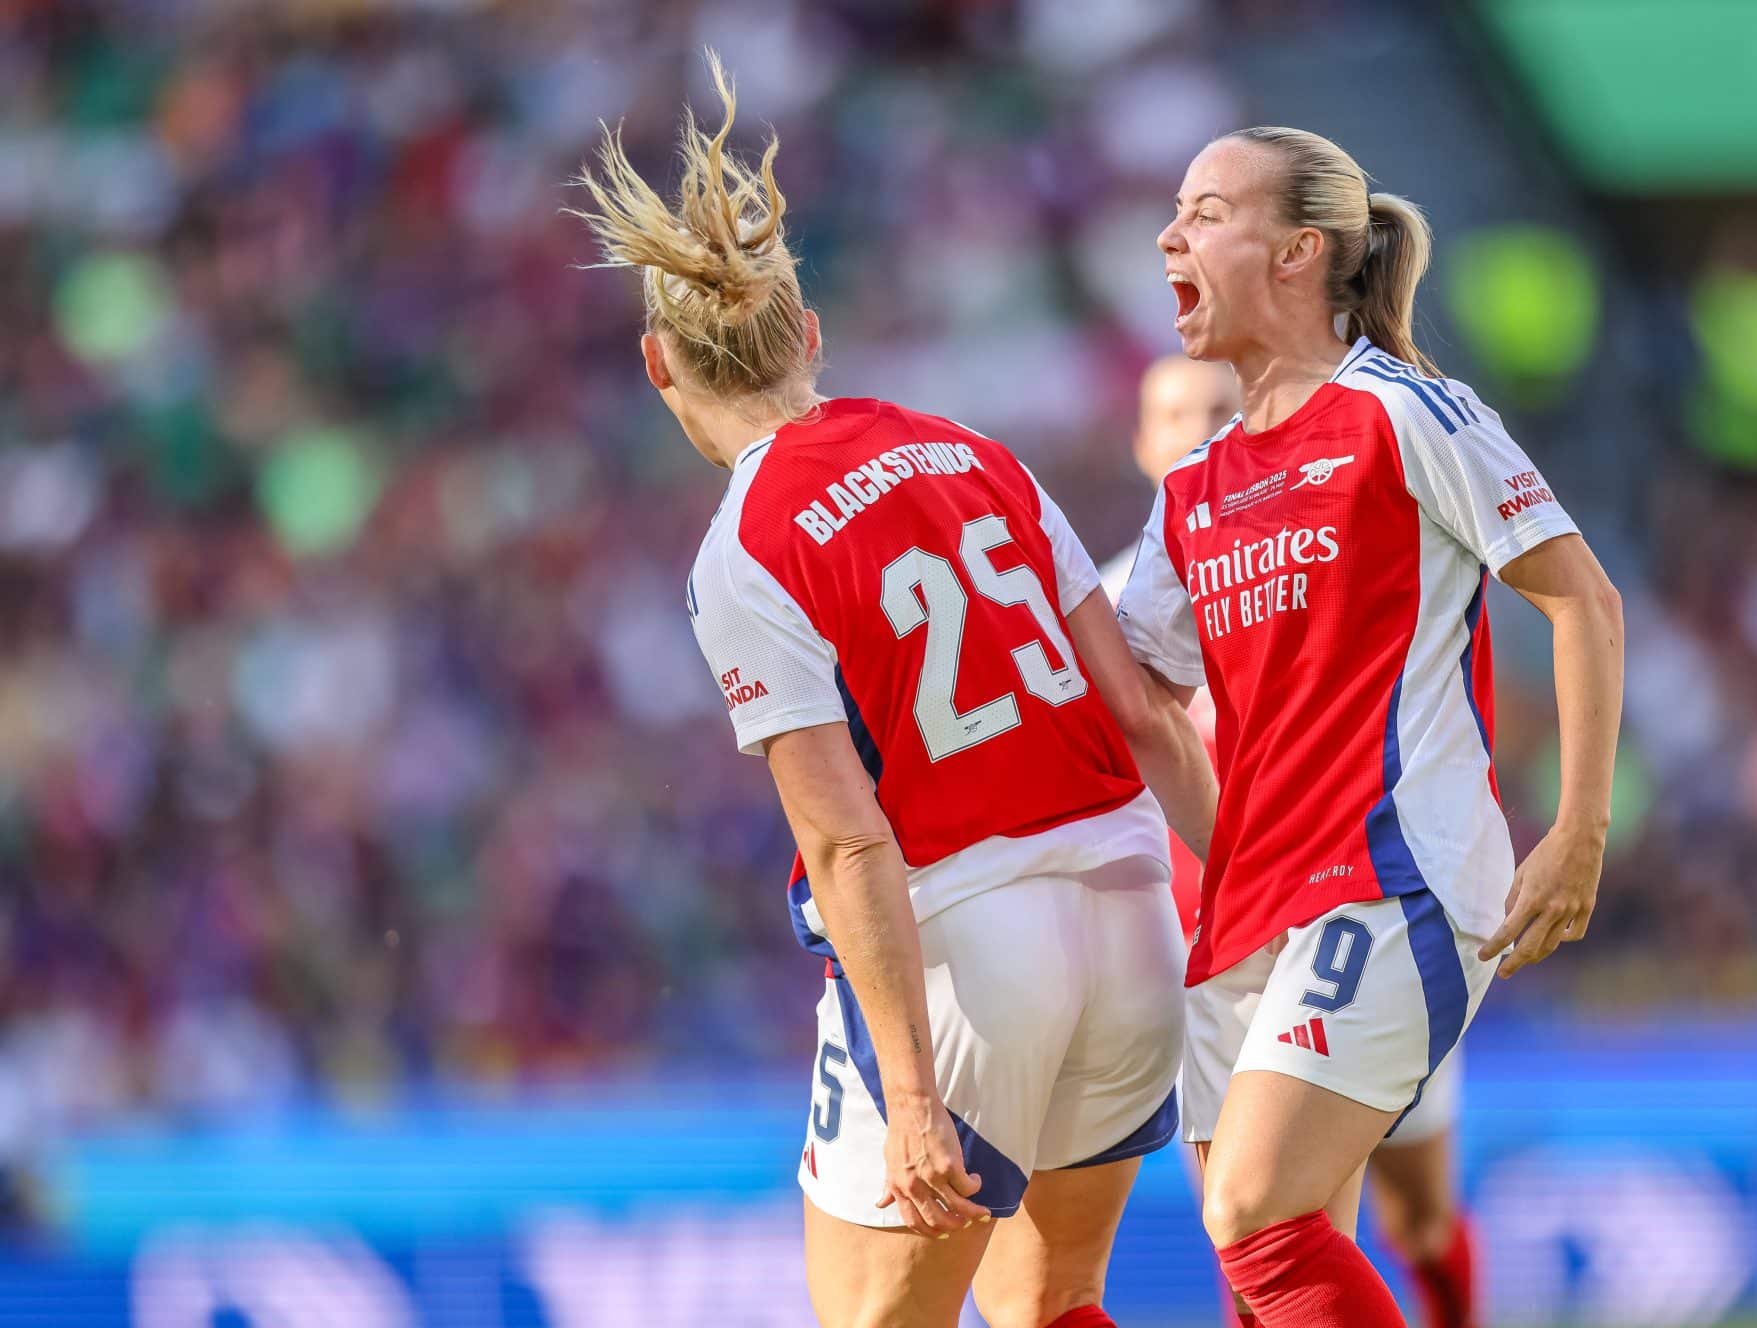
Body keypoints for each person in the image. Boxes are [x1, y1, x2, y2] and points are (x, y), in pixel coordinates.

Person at [572, 56, 1217, 1328]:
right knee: (1060, 1303)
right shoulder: (978, 452)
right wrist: (1245, 926)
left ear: (659, 365)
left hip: (968, 951)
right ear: (809, 336)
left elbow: (844, 832)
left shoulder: (747, 544)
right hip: (1136, 909)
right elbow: (1142, 712)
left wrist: (914, 1094)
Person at [1114, 125, 1625, 1328]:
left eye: (1201, 212)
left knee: (1254, 1208)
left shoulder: (1404, 411)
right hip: (1244, 909)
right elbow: (1135, 694)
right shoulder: (1192, 487)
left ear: (1296, 252)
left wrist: (1580, 825)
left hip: (1392, 880)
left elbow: (1579, 595)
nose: (1165, 236)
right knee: (1260, 1278)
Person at [1112, 355, 1481, 1328]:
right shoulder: (1120, 610)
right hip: (1220, 945)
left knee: (1416, 1212)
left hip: (1351, 916)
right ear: (1142, 443)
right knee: (1259, 1244)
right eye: (1174, 414)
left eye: (1219, 410)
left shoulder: (1320, 557)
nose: (1198, 429)